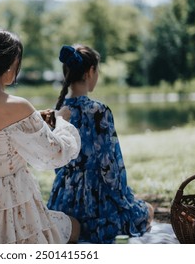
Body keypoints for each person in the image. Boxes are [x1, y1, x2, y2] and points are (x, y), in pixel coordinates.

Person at [0, 28, 81, 244]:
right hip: (14, 201)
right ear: (11, 63)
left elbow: (2, 132)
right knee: (74, 227)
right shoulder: (18, 105)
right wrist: (62, 121)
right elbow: (55, 153)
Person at [47, 45, 154, 244]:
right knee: (147, 210)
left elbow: (57, 162)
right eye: (98, 70)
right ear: (90, 72)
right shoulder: (99, 110)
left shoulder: (58, 111)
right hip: (98, 201)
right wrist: (124, 199)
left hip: (63, 199)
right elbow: (111, 166)